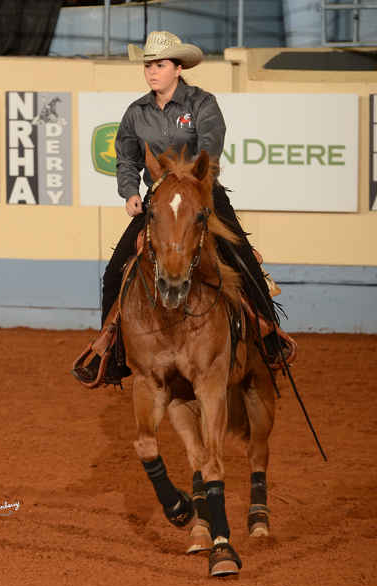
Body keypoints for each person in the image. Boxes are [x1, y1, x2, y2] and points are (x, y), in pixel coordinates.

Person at [72, 31, 289, 386]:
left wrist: (191, 188)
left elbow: (209, 152)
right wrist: (130, 192)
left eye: (159, 65)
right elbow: (125, 158)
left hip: (203, 197)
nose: (152, 72)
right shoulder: (136, 113)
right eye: (148, 66)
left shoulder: (202, 104)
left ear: (177, 67)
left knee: (242, 256)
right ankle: (110, 352)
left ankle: (269, 334)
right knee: (115, 273)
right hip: (158, 202)